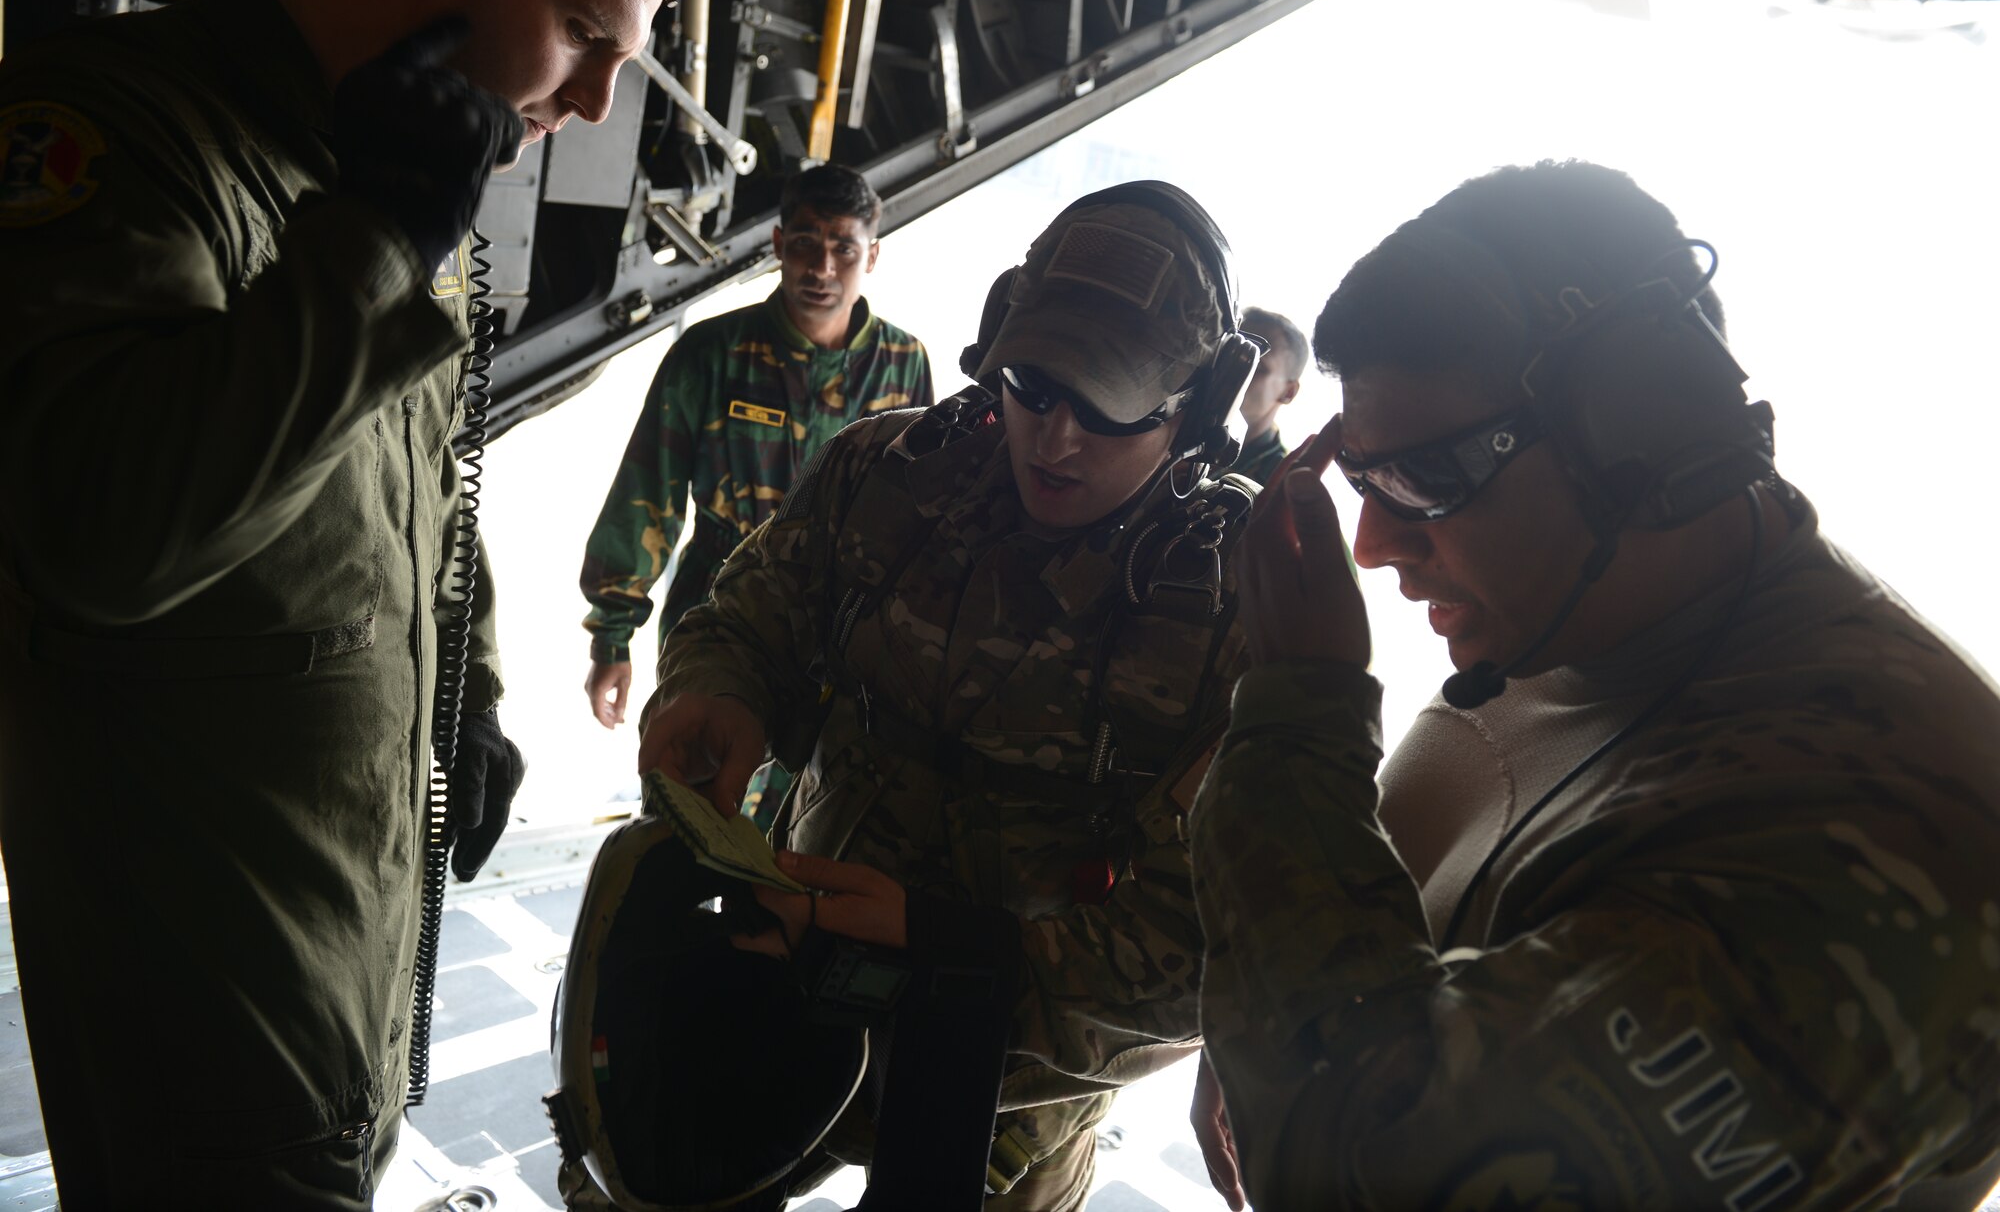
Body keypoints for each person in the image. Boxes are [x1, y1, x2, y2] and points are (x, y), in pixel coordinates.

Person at [0, 0, 676, 1205]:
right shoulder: (117, 126)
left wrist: (465, 692)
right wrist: (371, 238)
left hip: (346, 952)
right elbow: (94, 528)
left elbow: (419, 473)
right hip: (197, 994)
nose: (597, 103)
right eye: (584, 33)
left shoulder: (402, 162)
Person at [1186, 160, 2000, 1210]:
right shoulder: (1565, 625)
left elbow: (1374, 1178)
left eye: (1424, 479)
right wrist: (1258, 1004)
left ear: (1638, 430)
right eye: (1360, 479)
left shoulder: (1895, 839)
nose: (1376, 544)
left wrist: (1297, 714)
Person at [628, 182, 1265, 1209]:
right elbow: (748, 622)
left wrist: (956, 957)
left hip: (1014, 1074)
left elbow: (1221, 942)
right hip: (791, 979)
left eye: (1104, 407)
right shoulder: (889, 473)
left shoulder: (1242, 601)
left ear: (1195, 407)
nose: (1054, 438)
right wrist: (719, 693)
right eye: (1032, 384)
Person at [577, 164, 933, 790]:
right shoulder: (712, 354)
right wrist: (612, 635)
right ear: (777, 246)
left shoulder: (903, 364)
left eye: (843, 248)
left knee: (817, 819)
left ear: (871, 255)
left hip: (845, 621)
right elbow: (647, 495)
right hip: (720, 609)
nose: (822, 269)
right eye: (804, 244)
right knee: (695, 794)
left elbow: (921, 509)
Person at [1234, 305, 1307, 484]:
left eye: (1256, 366)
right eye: (1228, 353)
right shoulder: (1172, 422)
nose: (1231, 367)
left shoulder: (1280, 486)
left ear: (1288, 392)